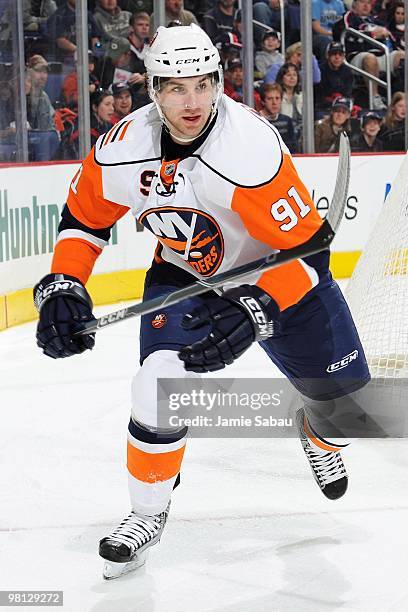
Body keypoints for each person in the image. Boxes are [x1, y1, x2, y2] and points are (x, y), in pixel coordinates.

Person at [33, 23, 370, 580]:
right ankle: (146, 514)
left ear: (218, 82)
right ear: (152, 89)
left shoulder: (249, 150)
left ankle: (316, 429)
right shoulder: (123, 148)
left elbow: (311, 254)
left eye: (202, 85)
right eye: (174, 88)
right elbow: (84, 219)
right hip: (188, 275)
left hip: (281, 278)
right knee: (157, 386)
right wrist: (65, 283)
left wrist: (257, 309)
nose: (192, 102)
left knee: (345, 408)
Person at [341, 0, 405, 110]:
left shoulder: (376, 20)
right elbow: (346, 32)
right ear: (354, 4)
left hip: (380, 54)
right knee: (370, 58)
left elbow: (391, 37)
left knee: (402, 55)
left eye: (369, 3)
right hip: (357, 55)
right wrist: (373, 34)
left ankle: (403, 96)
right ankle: (375, 98)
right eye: (362, 2)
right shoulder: (349, 17)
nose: (366, 6)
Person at [69, 88, 114, 156]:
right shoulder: (84, 130)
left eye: (112, 105)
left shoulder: (109, 126)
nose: (112, 109)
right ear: (95, 107)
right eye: (107, 104)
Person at [315, 41, 354, 114]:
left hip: (342, 106)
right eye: (334, 54)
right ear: (327, 55)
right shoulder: (320, 70)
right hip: (322, 107)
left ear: (343, 56)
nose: (337, 57)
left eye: (340, 54)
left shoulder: (347, 71)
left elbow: (348, 94)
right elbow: (319, 97)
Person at [259, 83, 298, 152]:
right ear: (263, 102)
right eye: (270, 99)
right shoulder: (257, 121)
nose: (274, 102)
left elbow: (293, 149)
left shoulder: (287, 121)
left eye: (277, 98)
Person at [275, 62, 303, 139]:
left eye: (294, 75)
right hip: (281, 130)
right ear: (282, 78)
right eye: (288, 75)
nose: (292, 78)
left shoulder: (301, 96)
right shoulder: (276, 95)